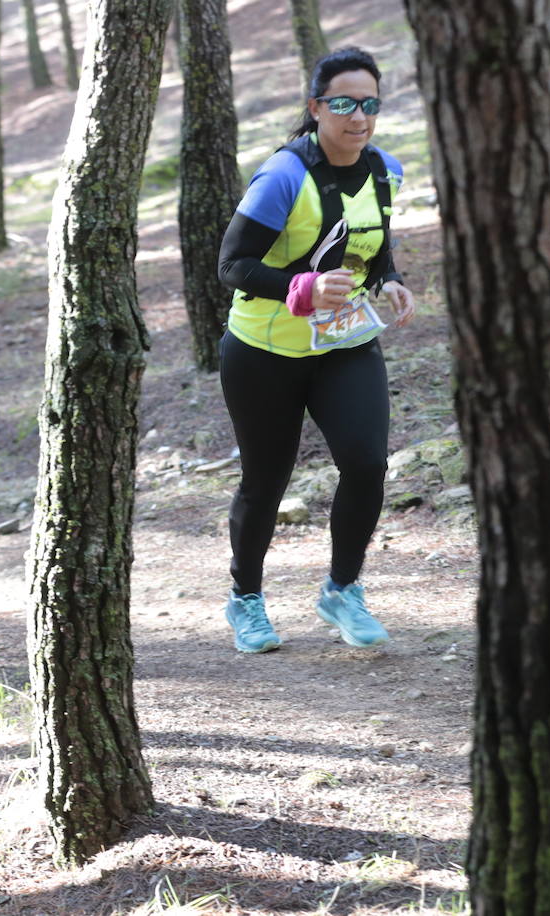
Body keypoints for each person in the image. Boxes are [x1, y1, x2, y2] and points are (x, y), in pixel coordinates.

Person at [216, 46, 414, 654]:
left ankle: (342, 590)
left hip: (344, 343)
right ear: (316, 107)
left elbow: (371, 244)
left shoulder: (385, 169)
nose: (359, 116)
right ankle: (246, 599)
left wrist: (391, 278)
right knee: (266, 480)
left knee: (365, 463)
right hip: (263, 350)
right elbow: (232, 264)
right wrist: (298, 288)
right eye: (345, 103)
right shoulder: (284, 176)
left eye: (370, 104)